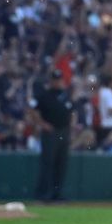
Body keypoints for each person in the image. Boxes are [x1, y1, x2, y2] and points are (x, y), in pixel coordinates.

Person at [32, 66, 73, 202]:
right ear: (51, 80)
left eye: (59, 79)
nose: (57, 82)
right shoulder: (45, 95)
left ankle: (57, 194)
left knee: (61, 164)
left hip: (64, 131)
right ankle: (44, 194)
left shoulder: (66, 95)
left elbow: (72, 112)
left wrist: (71, 128)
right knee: (48, 163)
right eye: (55, 79)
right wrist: (43, 124)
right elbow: (34, 112)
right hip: (51, 132)